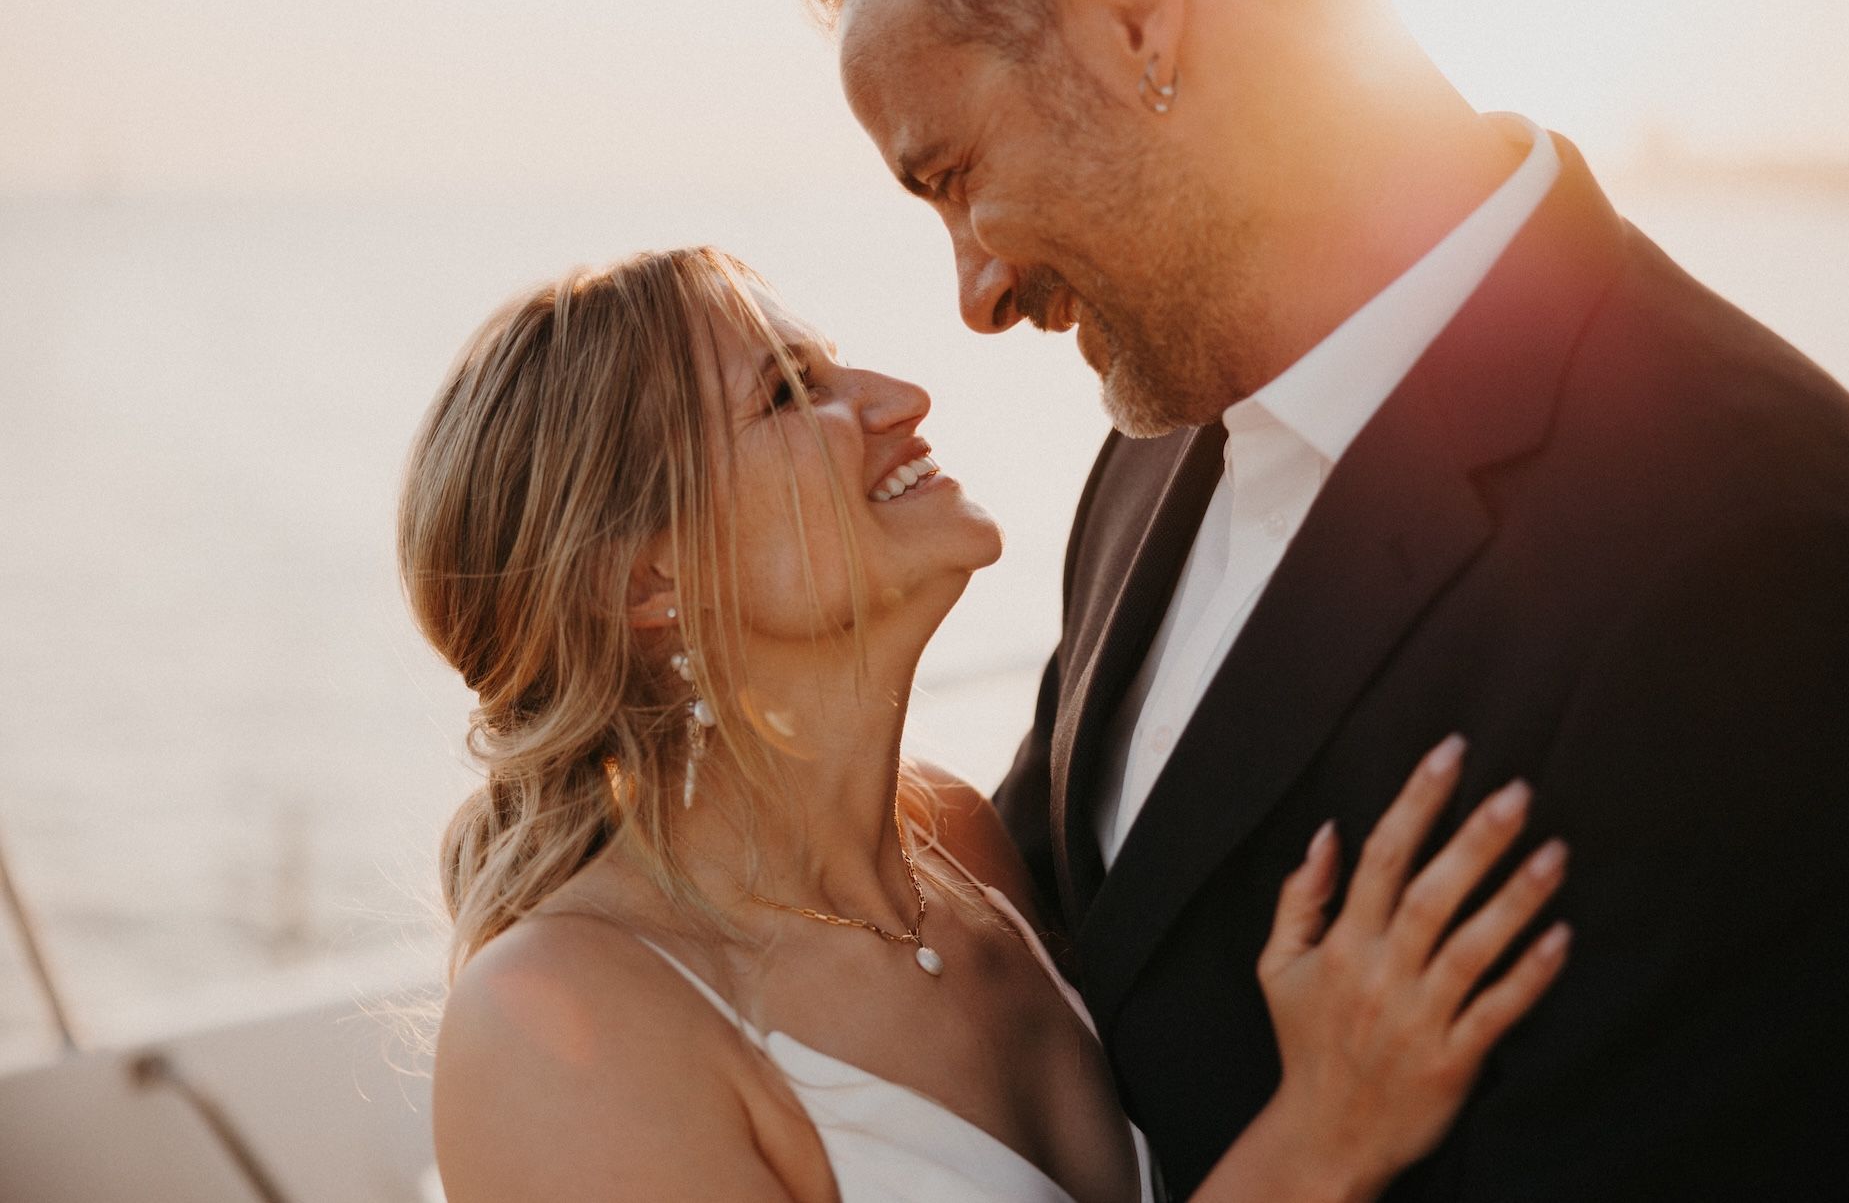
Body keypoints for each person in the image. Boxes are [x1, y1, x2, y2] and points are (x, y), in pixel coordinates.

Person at [803, 0, 1849, 1198]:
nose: (975, 291)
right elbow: (1044, 944)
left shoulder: (1761, 568)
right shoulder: (1156, 451)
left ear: (1135, 15)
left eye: (953, 175)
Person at [405, 247, 1572, 1202]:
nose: (898, 400)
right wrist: (1317, 1144)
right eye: (783, 393)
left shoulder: (960, 841)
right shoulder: (555, 1030)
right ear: (644, 585)